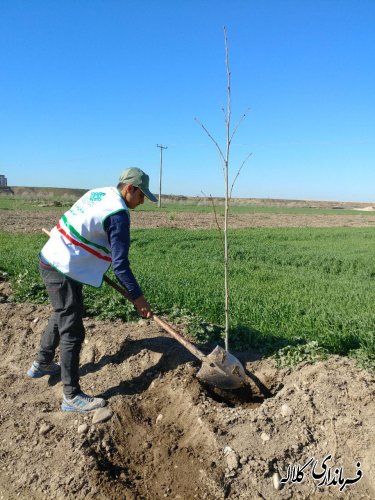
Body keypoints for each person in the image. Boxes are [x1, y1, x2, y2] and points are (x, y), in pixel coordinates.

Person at [27, 167, 157, 412]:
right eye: (141, 196)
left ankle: (42, 363)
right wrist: (139, 299)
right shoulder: (118, 214)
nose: (142, 202)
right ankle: (71, 396)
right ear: (130, 188)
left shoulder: (100, 193)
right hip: (63, 267)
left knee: (62, 312)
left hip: (55, 257)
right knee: (72, 329)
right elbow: (120, 265)